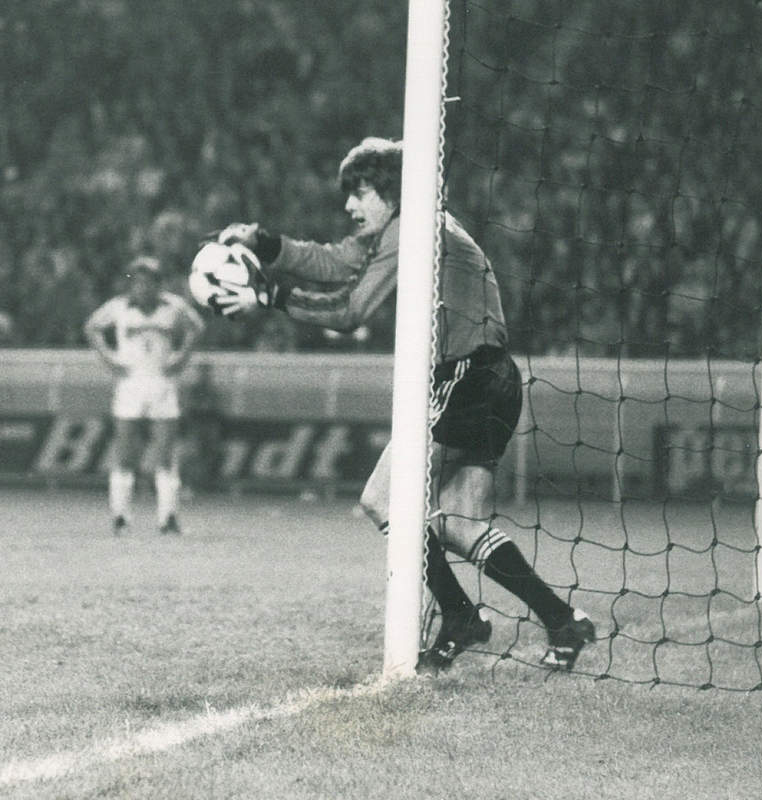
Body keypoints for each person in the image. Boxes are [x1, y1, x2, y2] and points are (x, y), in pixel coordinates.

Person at [214, 137, 596, 672]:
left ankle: (461, 615)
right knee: (459, 525)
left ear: (392, 191)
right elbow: (336, 260)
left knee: (382, 500)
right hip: (493, 377)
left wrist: (270, 297)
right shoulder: (422, 226)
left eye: (360, 192)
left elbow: (351, 310)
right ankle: (562, 621)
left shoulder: (416, 228)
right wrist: (265, 242)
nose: (350, 206)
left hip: (465, 375)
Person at [84, 256, 205, 535]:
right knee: (125, 454)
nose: (143, 287)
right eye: (137, 281)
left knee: (164, 455)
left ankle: (168, 518)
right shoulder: (119, 308)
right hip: (130, 385)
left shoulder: (173, 307)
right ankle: (120, 517)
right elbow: (92, 328)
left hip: (162, 384)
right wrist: (108, 358)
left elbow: (196, 328)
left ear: (158, 283)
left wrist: (182, 357)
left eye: (149, 281)